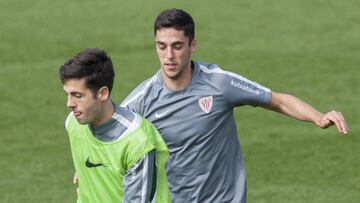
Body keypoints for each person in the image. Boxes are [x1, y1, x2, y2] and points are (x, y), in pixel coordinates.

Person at [120, 8, 350, 203]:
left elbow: (277, 100)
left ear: (193, 45)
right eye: (161, 46)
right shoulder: (142, 100)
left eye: (177, 46)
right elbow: (106, 132)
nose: (168, 55)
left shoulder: (219, 83)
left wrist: (318, 117)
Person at [60, 48, 171, 203]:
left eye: (78, 96)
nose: (69, 104)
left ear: (102, 93)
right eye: (68, 95)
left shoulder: (137, 142)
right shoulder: (73, 122)